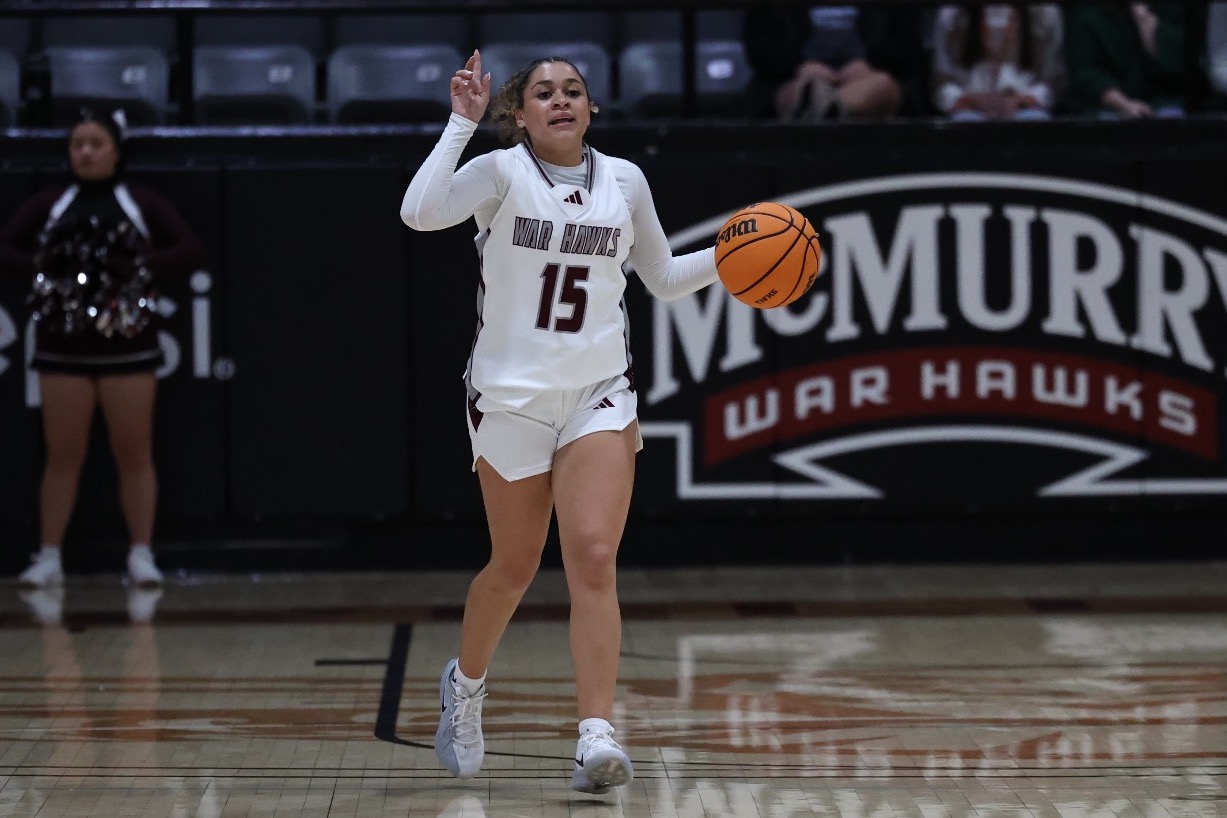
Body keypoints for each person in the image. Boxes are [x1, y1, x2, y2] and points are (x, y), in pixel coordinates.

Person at [399, 50, 720, 794]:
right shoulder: (501, 172)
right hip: (510, 397)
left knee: (595, 554)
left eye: (573, 90)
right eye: (543, 93)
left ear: (591, 108)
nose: (561, 101)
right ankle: (466, 687)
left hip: (596, 393)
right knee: (512, 567)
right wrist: (459, 125)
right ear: (519, 115)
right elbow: (418, 213)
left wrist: (732, 254)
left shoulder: (625, 181)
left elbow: (664, 278)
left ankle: (595, 735)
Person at [0, 108, 203, 590]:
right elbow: (5, 248)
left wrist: (134, 267)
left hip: (128, 347)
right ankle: (49, 555)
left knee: (134, 451)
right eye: (77, 144)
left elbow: (189, 248)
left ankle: (141, 553)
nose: (86, 152)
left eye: (96, 143)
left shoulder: (140, 201)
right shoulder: (52, 203)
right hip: (62, 348)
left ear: (116, 150)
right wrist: (48, 267)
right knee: (61, 455)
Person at [742, 2, 930, 121]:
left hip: (871, 73)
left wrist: (868, 64)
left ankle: (826, 108)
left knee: (880, 86)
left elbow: (906, 43)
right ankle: (821, 106)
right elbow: (759, 46)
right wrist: (800, 67)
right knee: (798, 92)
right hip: (796, 76)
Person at [931, 3, 1066, 121]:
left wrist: (1021, 100)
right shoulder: (952, 14)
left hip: (1025, 108)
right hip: (969, 109)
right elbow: (942, 84)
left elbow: (1052, 81)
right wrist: (970, 100)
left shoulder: (1044, 12)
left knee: (1034, 120)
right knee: (966, 123)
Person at [1062, 1, 1190, 117]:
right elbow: (1085, 72)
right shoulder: (1086, 12)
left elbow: (1181, 63)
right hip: (1106, 107)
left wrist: (1143, 19)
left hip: (1166, 102)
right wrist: (1123, 104)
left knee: (1172, 118)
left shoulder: (1173, 9)